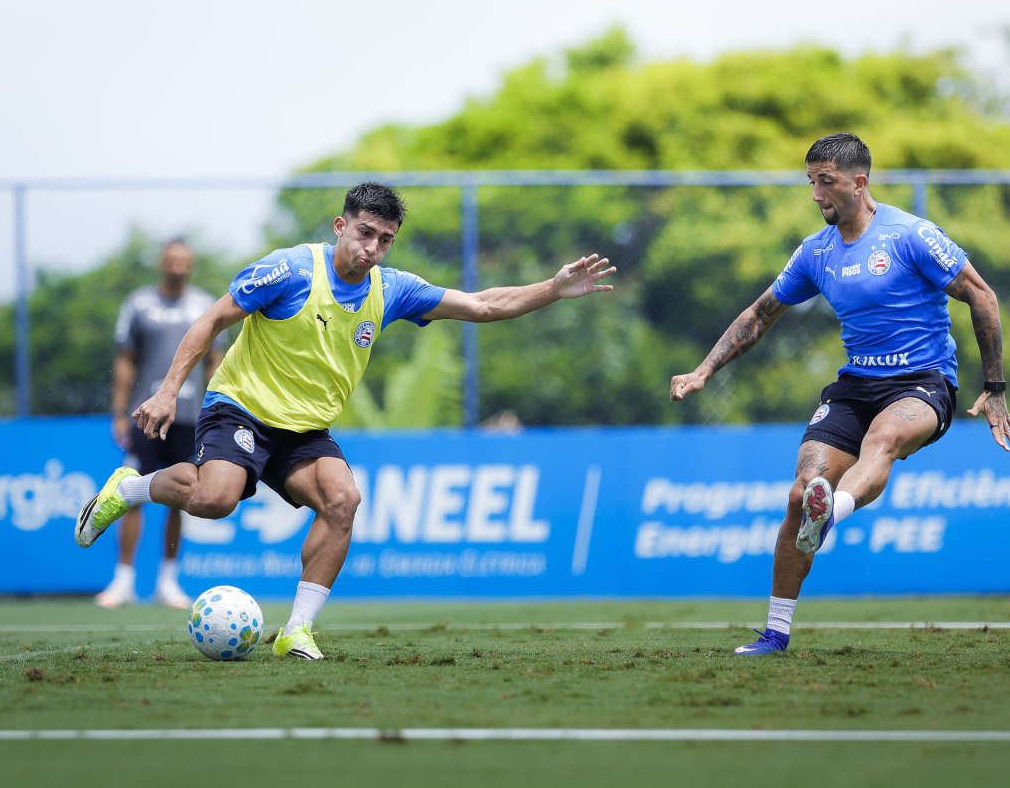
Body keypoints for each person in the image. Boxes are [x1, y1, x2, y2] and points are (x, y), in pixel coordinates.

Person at [76, 182, 616, 658]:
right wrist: (170, 390)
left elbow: (483, 305)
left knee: (344, 499)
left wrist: (551, 289)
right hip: (241, 405)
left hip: (304, 430)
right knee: (214, 500)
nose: (372, 249)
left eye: (385, 239)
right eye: (364, 233)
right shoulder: (289, 268)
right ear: (340, 225)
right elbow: (212, 319)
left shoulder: (392, 288)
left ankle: (297, 631)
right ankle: (132, 488)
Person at [669, 133, 1010, 655]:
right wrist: (703, 370)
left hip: (922, 382)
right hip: (856, 385)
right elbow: (760, 314)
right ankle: (776, 631)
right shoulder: (816, 252)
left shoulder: (912, 236)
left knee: (882, 439)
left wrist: (994, 388)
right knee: (798, 494)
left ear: (860, 183)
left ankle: (830, 512)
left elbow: (982, 295)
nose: (815, 193)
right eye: (811, 181)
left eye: (826, 181)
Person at [94, 238, 225, 609]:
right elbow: (125, 360)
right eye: (172, 260)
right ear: (162, 263)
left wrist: (213, 410)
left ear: (192, 264)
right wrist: (119, 412)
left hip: (190, 417)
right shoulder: (138, 304)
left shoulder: (205, 305)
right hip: (146, 414)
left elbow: (216, 360)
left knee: (181, 496)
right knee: (133, 491)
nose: (178, 267)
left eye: (185, 261)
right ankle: (123, 580)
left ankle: (168, 581)